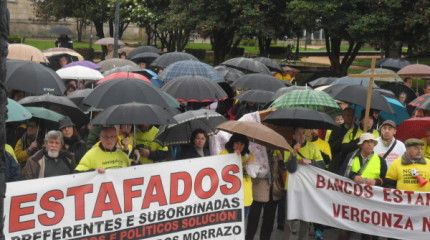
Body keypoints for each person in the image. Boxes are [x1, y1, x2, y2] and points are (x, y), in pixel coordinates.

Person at [274, 127, 324, 240]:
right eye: (299, 134)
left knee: (305, 219)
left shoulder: (312, 147)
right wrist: (294, 153)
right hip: (292, 188)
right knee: (289, 219)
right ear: (294, 136)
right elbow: (291, 169)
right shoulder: (289, 149)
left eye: (303, 133)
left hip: (307, 188)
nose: (302, 136)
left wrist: (310, 161)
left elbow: (322, 164)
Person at [340, 133, 387, 240]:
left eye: (372, 142)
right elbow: (342, 173)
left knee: (368, 230)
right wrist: (353, 176)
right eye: (367, 142)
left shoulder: (380, 160)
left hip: (371, 200)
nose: (370, 144)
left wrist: (376, 182)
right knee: (345, 227)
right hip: (352, 198)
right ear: (361, 145)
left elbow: (386, 180)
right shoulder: (350, 157)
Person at [219, 133, 254, 218]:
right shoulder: (224, 153)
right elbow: (221, 172)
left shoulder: (249, 156)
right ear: (232, 143)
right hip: (229, 197)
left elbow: (253, 174)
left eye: (242, 144)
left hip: (245, 196)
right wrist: (234, 157)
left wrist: (249, 165)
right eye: (237, 143)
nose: (239, 146)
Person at [327, 107, 356, 173]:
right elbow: (331, 146)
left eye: (352, 115)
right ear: (343, 116)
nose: (350, 117)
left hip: (351, 163)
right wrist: (343, 139)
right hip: (337, 163)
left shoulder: (358, 130)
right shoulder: (337, 129)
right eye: (348, 115)